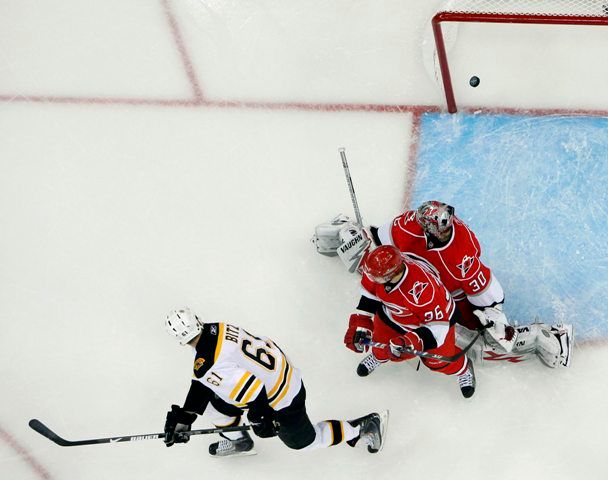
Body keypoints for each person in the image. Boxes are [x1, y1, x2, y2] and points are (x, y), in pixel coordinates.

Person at [314, 201, 572, 371]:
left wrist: (493, 314)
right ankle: (345, 231)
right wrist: (362, 242)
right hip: (406, 272)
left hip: (448, 295)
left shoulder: (461, 253)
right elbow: (381, 238)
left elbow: (482, 287)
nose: (446, 229)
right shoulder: (410, 223)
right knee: (373, 266)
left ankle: (543, 337)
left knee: (475, 344)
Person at [162, 308, 388, 457]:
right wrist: (186, 415)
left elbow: (252, 389)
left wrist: (262, 417)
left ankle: (360, 428)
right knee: (212, 405)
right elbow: (204, 381)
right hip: (280, 372)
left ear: (179, 341)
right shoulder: (217, 328)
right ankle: (240, 441)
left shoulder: (207, 365)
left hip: (284, 398)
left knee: (305, 443)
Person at [344, 245, 477, 398]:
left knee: (439, 362)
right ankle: (378, 356)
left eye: (377, 278)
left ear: (392, 274)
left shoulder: (424, 291)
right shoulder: (381, 270)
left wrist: (410, 342)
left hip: (435, 323)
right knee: (380, 343)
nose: (372, 279)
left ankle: (463, 368)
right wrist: (361, 322)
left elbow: (437, 327)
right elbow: (370, 293)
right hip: (394, 314)